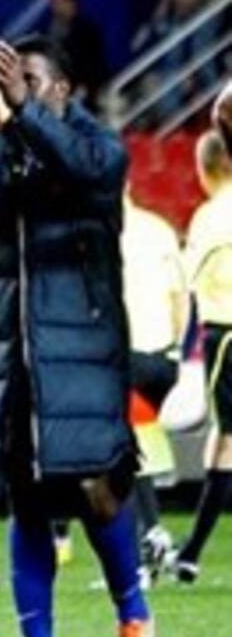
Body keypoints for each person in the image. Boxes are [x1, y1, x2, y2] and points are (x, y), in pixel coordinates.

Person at [0, 37, 152, 637]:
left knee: (96, 486)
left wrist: (25, 114)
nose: (17, 90)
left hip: (83, 345)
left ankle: (133, 611)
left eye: (29, 80)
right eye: (10, 80)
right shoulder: (11, 145)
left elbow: (86, 174)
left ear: (60, 89)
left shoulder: (98, 146)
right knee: (27, 497)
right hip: (15, 347)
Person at [168, 130, 232, 583]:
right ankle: (190, 551)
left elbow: (191, 291)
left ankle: (190, 553)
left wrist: (183, 348)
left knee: (225, 439)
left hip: (226, 332)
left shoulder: (210, 217)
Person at [118, 188, 187, 581]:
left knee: (124, 456)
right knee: (140, 451)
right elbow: (180, 298)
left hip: (124, 356)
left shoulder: (98, 230)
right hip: (163, 357)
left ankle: (149, 542)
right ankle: (153, 536)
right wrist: (176, 347)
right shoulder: (159, 229)